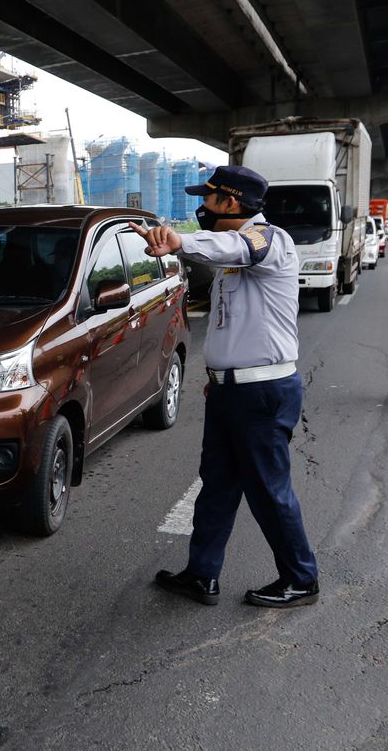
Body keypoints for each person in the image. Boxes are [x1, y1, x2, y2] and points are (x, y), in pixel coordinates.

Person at [128, 164, 319, 609]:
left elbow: (238, 245)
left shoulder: (269, 239)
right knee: (216, 484)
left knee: (269, 491)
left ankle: (301, 578)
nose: (202, 208)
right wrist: (219, 379)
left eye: (208, 199)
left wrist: (178, 240)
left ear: (231, 202)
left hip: (262, 394)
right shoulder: (231, 255)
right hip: (231, 391)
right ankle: (202, 574)